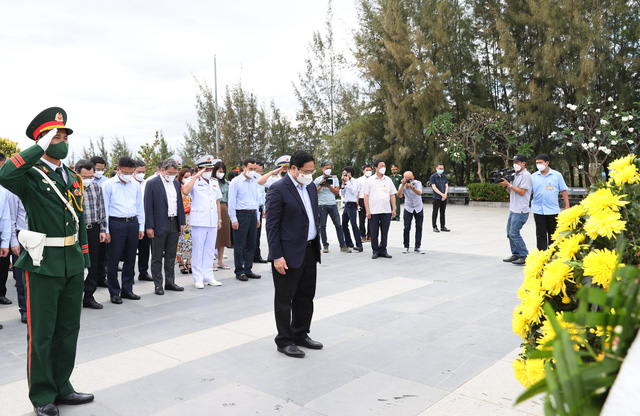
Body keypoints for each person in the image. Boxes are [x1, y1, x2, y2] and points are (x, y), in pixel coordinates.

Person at [0, 107, 94, 415]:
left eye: (65, 134)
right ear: (43, 140)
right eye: (56, 135)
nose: (62, 139)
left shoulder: (72, 177)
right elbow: (5, 174)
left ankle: (62, 385)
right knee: (42, 333)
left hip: (70, 261)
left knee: (68, 328)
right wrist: (37, 147)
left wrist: (84, 258)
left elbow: (79, 219)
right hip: (42, 263)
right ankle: (42, 394)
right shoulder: (28, 175)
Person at [266, 150, 322, 358]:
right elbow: (271, 226)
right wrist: (276, 256)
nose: (310, 174)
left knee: (306, 296)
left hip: (309, 249)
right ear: (293, 169)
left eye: (312, 170)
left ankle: (300, 333)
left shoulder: (310, 188)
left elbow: (312, 217)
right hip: (287, 254)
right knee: (285, 299)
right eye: (306, 171)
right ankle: (284, 340)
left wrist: (317, 244)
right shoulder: (278, 189)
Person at [103, 156, 145, 304]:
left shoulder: (135, 184)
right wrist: (106, 230)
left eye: (130, 172)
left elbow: (140, 206)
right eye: (125, 172)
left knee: (130, 258)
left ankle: (127, 289)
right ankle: (114, 291)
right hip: (116, 224)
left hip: (132, 223)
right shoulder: (108, 185)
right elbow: (105, 209)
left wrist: (141, 226)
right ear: (118, 170)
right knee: (113, 260)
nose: (127, 175)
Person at [144, 159, 186, 295]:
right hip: (159, 224)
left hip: (174, 223)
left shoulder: (175, 183)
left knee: (171, 255)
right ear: (162, 170)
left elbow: (179, 203)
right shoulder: (152, 183)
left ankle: (170, 282)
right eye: (170, 172)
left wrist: (182, 223)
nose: (172, 175)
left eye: (175, 173)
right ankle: (158, 284)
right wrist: (149, 226)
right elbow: (148, 206)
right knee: (157, 256)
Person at [182, 156, 223, 288]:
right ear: (200, 169)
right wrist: (196, 176)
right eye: (206, 168)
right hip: (199, 220)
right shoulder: (192, 180)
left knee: (210, 249)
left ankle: (209, 276)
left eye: (210, 168)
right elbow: (185, 191)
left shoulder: (214, 182)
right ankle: (198, 278)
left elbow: (217, 201)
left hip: (212, 219)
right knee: (198, 250)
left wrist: (219, 219)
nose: (209, 171)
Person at [76, 160, 108, 309]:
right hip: (76, 232)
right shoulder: (71, 188)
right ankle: (74, 297)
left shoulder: (97, 187)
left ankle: (89, 296)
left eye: (90, 176)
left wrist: (102, 229)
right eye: (84, 176)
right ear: (77, 174)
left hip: (93, 229)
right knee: (76, 265)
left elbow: (101, 209)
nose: (88, 179)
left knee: (93, 264)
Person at [228, 157, 262, 281]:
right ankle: (239, 270)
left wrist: (257, 216)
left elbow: (256, 200)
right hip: (241, 215)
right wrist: (233, 219)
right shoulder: (236, 182)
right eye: (250, 169)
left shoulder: (254, 181)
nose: (252, 171)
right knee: (240, 244)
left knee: (252, 243)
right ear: (244, 168)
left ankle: (248, 269)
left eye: (254, 169)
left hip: (253, 214)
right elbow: (231, 201)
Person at [531, 154, 570, 250]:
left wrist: (567, 205)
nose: (538, 165)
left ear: (547, 163)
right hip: (538, 209)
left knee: (553, 234)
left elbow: (563, 190)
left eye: (540, 162)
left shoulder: (557, 175)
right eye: (537, 163)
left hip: (552, 210)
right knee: (540, 234)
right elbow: (528, 191)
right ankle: (541, 256)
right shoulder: (533, 176)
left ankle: (553, 255)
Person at [500, 154, 533, 265]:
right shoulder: (515, 175)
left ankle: (524, 255)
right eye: (514, 162)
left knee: (514, 233)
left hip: (521, 210)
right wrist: (505, 186)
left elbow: (522, 192)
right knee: (509, 233)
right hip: (513, 209)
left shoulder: (526, 175)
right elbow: (512, 191)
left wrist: (509, 185)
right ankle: (516, 254)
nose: (515, 164)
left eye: (517, 162)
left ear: (523, 163)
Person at [313, 161, 351, 253]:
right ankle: (325, 245)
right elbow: (313, 193)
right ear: (322, 169)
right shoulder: (317, 180)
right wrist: (321, 186)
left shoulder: (334, 179)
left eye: (330, 168)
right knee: (322, 226)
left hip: (332, 205)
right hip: (321, 205)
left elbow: (337, 192)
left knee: (338, 225)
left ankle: (343, 245)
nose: (328, 170)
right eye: (326, 168)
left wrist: (329, 186)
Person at [364, 160, 397, 259]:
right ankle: (375, 250)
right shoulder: (369, 180)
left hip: (386, 210)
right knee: (374, 232)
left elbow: (392, 194)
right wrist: (367, 210)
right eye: (381, 166)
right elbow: (366, 196)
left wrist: (394, 208)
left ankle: (383, 249)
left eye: (384, 165)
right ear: (376, 168)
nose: (383, 167)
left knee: (384, 231)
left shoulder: (388, 180)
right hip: (373, 210)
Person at [8, 190, 28, 323]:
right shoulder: (15, 192)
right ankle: (25, 310)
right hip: (23, 237)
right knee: (22, 277)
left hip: (42, 237)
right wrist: (13, 241)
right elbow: (11, 218)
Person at [90, 155, 109, 288]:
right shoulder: (82, 181)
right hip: (88, 223)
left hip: (101, 222)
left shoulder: (106, 182)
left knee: (102, 254)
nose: (100, 171)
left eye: (102, 169)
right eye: (97, 169)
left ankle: (101, 277)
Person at [134, 160, 153, 282]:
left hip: (145, 220)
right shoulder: (129, 183)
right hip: (132, 220)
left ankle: (143, 271)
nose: (141, 174)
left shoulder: (148, 184)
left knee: (145, 248)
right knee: (130, 249)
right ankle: (129, 273)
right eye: (139, 172)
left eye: (143, 172)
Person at [397, 171, 425, 254]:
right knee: (406, 228)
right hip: (408, 208)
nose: (409, 180)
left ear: (413, 177)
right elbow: (399, 195)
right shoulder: (402, 184)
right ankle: (406, 246)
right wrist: (402, 185)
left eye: (410, 178)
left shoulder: (418, 183)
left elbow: (419, 193)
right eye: (407, 178)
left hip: (418, 207)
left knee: (419, 227)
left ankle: (417, 247)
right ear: (404, 178)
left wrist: (411, 187)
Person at [340, 166, 363, 252]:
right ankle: (349, 242)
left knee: (354, 224)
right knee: (344, 224)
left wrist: (348, 182)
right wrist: (343, 184)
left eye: (345, 174)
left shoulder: (356, 181)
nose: (343, 175)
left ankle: (359, 245)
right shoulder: (346, 182)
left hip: (352, 204)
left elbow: (354, 191)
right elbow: (342, 193)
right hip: (346, 204)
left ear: (349, 174)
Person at [214, 161, 231, 270]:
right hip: (212, 208)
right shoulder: (211, 182)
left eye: (223, 171)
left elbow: (229, 198)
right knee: (212, 237)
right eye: (219, 171)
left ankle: (220, 261)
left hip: (224, 208)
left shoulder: (227, 184)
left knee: (223, 236)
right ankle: (210, 261)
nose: (221, 173)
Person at [176, 168, 193, 274]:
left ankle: (189, 262)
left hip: (192, 217)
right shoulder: (178, 188)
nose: (187, 179)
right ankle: (181, 262)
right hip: (182, 217)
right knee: (180, 241)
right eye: (185, 177)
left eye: (189, 177)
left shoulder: (192, 187)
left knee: (190, 241)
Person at [254, 160, 268, 263]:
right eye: (257, 169)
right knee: (249, 235)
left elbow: (263, 195)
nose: (258, 172)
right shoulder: (249, 178)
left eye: (260, 170)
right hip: (249, 209)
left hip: (259, 207)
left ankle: (257, 255)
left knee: (257, 234)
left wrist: (264, 208)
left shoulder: (262, 179)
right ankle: (247, 256)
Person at [430, 163, 450, 232]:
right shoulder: (433, 177)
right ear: (436, 169)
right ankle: (434, 226)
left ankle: (443, 226)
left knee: (442, 212)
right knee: (435, 212)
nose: (441, 170)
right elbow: (434, 187)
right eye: (440, 169)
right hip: (436, 197)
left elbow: (446, 185)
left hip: (444, 197)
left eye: (442, 169)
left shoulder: (444, 176)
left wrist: (445, 194)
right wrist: (442, 194)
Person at [0, 185, 11, 305]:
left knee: (2, 270)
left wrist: (4, 242)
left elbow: (5, 218)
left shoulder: (2, 191)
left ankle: (1, 294)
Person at [357, 165, 373, 242]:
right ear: (363, 171)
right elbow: (357, 192)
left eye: (370, 170)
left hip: (371, 200)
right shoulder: (359, 180)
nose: (368, 171)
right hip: (362, 200)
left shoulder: (374, 179)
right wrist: (357, 203)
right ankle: (362, 235)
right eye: (367, 170)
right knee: (362, 219)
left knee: (371, 218)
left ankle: (370, 235)